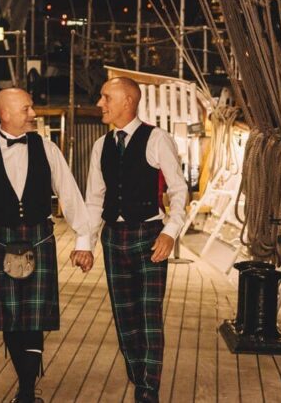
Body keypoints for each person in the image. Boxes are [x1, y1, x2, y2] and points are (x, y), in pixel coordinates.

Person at [0, 88, 94, 403]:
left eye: (31, 108)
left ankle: (27, 391)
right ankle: (26, 384)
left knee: (32, 321)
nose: (33, 114)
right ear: (4, 113)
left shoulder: (48, 149)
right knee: (10, 320)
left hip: (38, 239)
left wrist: (83, 240)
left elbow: (71, 196)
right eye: (26, 109)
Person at [75, 77, 188, 403]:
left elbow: (179, 191)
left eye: (106, 97)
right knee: (125, 320)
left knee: (148, 318)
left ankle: (147, 393)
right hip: (114, 239)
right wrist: (86, 245)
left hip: (150, 237)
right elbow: (94, 200)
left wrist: (169, 232)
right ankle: (140, 376)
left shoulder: (156, 139)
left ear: (127, 101)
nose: (100, 103)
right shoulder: (101, 146)